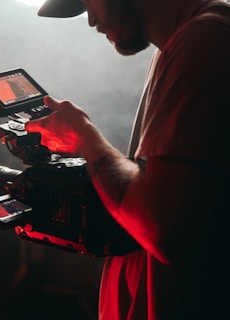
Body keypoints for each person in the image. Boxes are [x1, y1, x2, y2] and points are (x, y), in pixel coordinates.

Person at [25, 0, 230, 319]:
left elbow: (161, 228)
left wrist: (84, 137)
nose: (91, 20)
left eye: (88, 2)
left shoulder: (205, 40)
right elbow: (161, 192)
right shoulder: (180, 43)